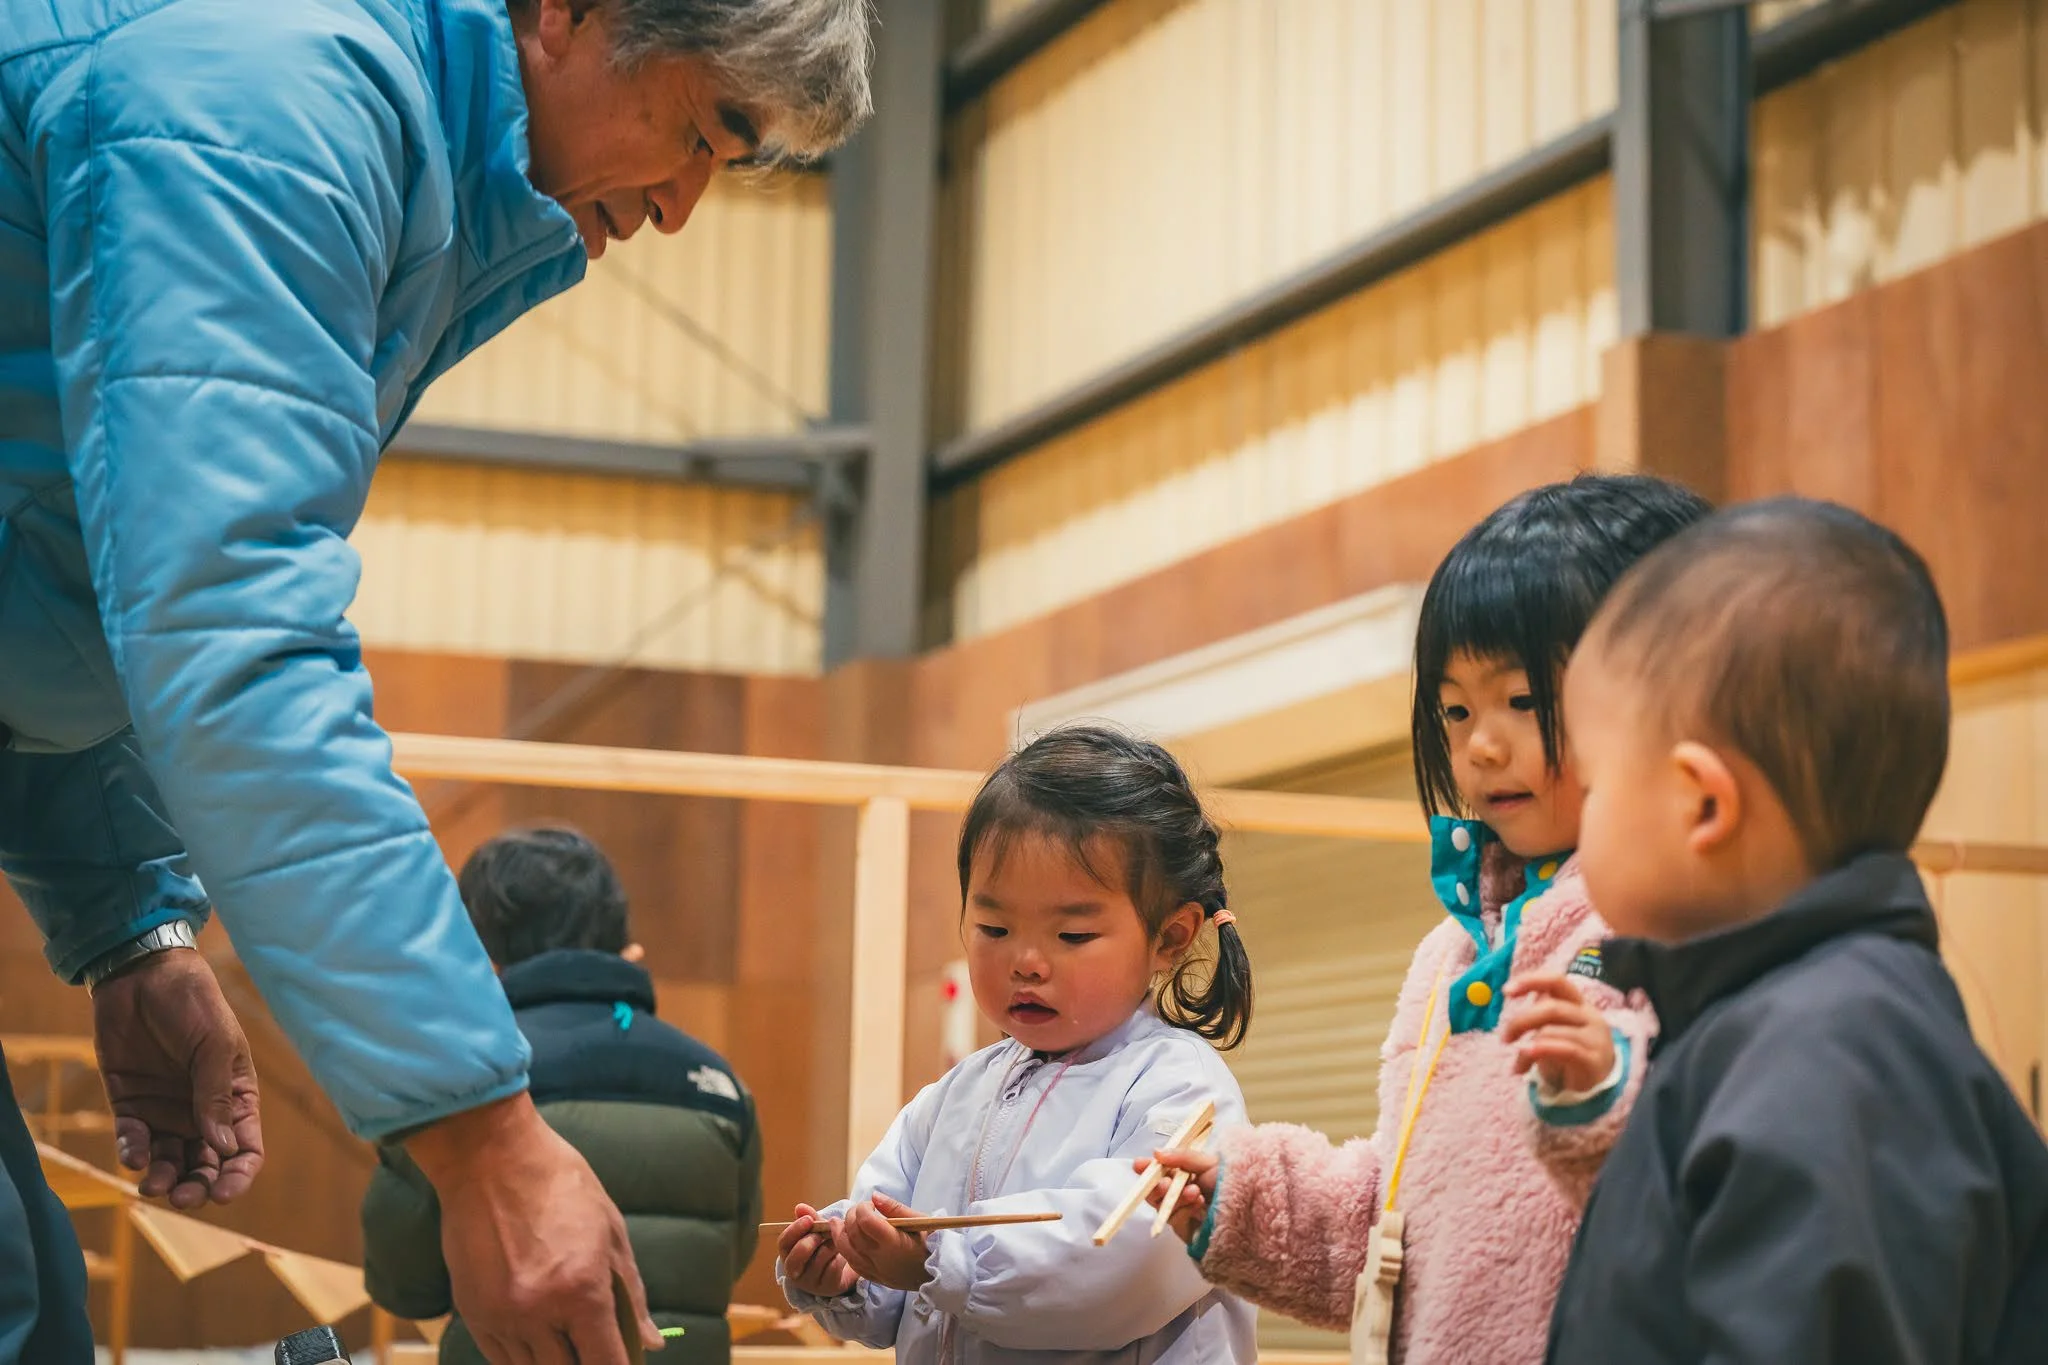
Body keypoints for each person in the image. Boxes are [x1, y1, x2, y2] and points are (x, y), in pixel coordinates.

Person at [0, 0, 870, 1360]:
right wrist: (481, 1145)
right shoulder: (270, 97)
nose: (682, 207)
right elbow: (229, 626)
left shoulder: (356, 133)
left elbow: (53, 573)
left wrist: (129, 927)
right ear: (568, 12)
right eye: (702, 132)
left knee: (37, 1307)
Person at [1144, 474, 1712, 1363]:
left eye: (1522, 700)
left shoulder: (1678, 914)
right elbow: (1397, 1223)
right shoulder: (1448, 952)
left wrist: (1603, 1092)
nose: (1481, 743)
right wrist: (1244, 1203)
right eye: (1455, 709)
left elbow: (1709, 1192)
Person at [1544, 498, 2048, 1364]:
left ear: (1702, 804)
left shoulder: (1832, 1053)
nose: (1581, 823)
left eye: (1592, 786)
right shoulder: (1774, 1029)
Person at [776, 725, 1257, 1365]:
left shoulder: (1180, 1085)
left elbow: (1129, 1259)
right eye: (994, 927)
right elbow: (896, 1258)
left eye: (1073, 935)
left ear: (1169, 938)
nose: (1026, 962)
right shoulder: (957, 1094)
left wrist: (939, 1264)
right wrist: (848, 1267)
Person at [364, 826, 764, 1365]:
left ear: (476, 950)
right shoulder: (718, 1083)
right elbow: (729, 1257)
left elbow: (404, 1284)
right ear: (623, 947)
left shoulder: (463, 1083)